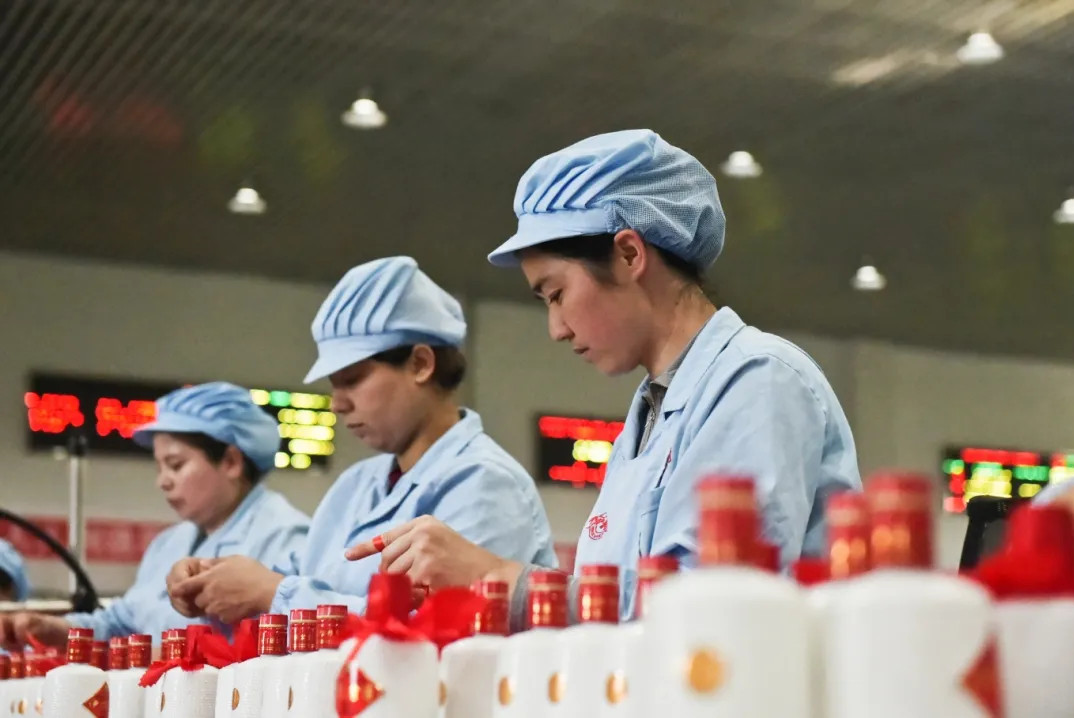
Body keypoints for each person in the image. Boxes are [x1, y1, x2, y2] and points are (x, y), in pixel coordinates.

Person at [345, 129, 862, 624]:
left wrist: (498, 579)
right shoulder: (650, 416)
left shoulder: (759, 381)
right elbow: (626, 606)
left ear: (630, 254)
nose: (556, 329)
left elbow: (711, 612)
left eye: (556, 294)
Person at [167, 256, 555, 623]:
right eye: (334, 385)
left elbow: (442, 629)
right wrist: (215, 579)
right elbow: (299, 576)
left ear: (420, 364)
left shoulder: (485, 484)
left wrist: (274, 595)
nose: (338, 404)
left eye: (352, 380)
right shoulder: (355, 486)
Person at [0, 382, 310, 648]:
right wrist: (56, 630)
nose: (162, 481)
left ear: (231, 462)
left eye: (176, 465)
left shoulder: (286, 538)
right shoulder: (169, 544)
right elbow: (123, 623)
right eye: (159, 467)